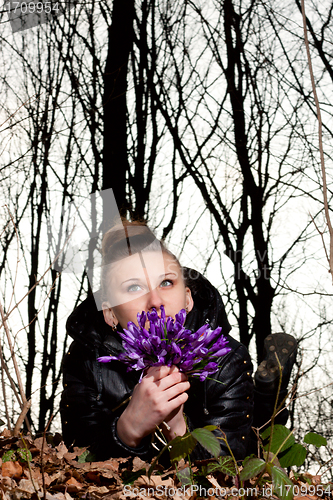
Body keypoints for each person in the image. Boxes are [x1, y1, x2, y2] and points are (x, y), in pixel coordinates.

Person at [60, 220, 296, 462]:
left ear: (187, 299)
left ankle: (270, 396)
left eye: (166, 282)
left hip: (239, 425)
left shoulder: (226, 358)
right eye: (133, 287)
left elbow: (227, 463)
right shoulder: (86, 357)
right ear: (110, 314)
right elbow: (77, 453)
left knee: (261, 437)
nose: (155, 301)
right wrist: (126, 431)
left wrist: (177, 428)